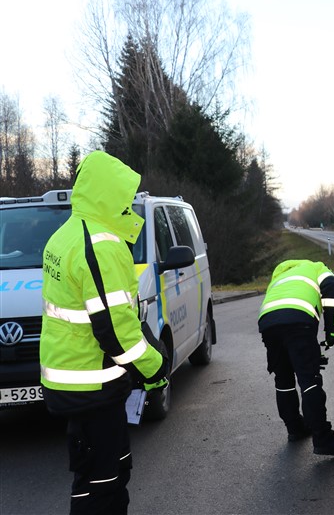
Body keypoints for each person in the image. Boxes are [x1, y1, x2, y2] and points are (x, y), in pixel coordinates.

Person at [40, 151, 169, 514]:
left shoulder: (65, 235)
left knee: (102, 474)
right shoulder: (100, 244)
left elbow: (109, 315)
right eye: (124, 197)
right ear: (108, 195)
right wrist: (155, 368)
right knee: (102, 481)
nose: (129, 204)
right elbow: (113, 330)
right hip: (91, 384)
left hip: (76, 379)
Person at [257, 259, 334, 458]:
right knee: (309, 381)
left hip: (268, 322)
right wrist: (331, 332)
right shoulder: (318, 268)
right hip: (298, 320)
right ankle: (323, 439)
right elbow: (332, 289)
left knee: (283, 379)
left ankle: (295, 428)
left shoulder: (280, 274)